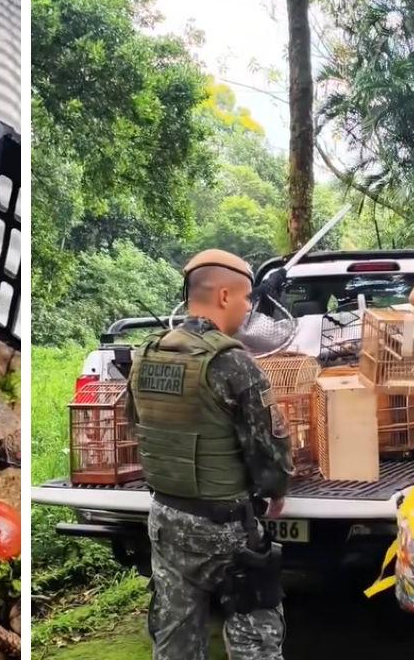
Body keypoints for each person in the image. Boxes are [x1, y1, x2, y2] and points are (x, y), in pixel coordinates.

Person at [127, 248, 294, 660]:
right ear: (223, 296)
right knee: (256, 632)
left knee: (175, 636)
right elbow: (267, 446)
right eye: (246, 298)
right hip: (226, 527)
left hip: (165, 518)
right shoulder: (233, 363)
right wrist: (276, 490)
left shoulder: (145, 354)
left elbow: (137, 423)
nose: (249, 307)